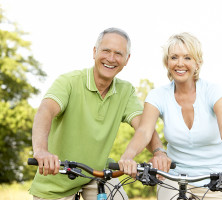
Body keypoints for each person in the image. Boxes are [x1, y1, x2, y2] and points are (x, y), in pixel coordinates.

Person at [29, 27, 170, 200]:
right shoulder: (69, 82)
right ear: (95, 52)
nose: (111, 59)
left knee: (118, 196)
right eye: (106, 51)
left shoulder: (125, 91)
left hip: (98, 173)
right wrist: (41, 151)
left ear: (127, 59)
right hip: (57, 176)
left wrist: (158, 152)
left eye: (118, 53)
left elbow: (144, 126)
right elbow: (46, 111)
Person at [118, 32, 222, 199]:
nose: (180, 63)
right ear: (167, 62)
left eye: (187, 58)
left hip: (215, 179)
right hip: (175, 179)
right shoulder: (157, 96)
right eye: (174, 57)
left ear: (198, 63)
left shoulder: (214, 92)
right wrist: (127, 157)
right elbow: (144, 132)